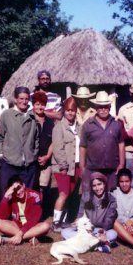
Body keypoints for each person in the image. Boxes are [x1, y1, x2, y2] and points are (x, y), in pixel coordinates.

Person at [0, 86, 39, 198]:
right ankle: (5, 215)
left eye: (26, 99)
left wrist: (33, 154)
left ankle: (23, 215)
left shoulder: (33, 117)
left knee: (26, 194)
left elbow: (36, 138)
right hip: (9, 161)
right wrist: (2, 154)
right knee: (6, 194)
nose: (24, 101)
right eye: (21, 98)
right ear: (15, 99)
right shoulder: (6, 115)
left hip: (28, 164)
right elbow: (0, 136)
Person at [79, 91, 125, 194]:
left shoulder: (116, 124)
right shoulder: (88, 125)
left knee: (111, 196)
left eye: (105, 107)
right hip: (93, 168)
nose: (103, 110)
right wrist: (82, 167)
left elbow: (121, 144)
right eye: (100, 107)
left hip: (112, 169)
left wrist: (121, 164)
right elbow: (83, 146)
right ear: (96, 107)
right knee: (92, 196)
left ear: (109, 107)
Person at [61, 172, 118, 253]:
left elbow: (109, 220)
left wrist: (102, 232)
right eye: (94, 186)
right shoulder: (86, 196)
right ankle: (98, 245)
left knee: (113, 234)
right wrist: (76, 223)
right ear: (91, 187)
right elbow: (80, 216)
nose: (97, 188)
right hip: (87, 229)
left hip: (100, 230)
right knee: (65, 232)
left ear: (104, 184)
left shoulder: (111, 199)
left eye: (99, 184)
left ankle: (87, 243)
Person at [0, 176, 50, 245]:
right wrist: (5, 197)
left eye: (19, 188)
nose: (18, 192)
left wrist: (20, 234)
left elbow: (33, 220)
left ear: (24, 185)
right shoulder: (12, 196)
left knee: (46, 226)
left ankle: (10, 239)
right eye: (15, 190)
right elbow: (1, 216)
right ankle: (30, 237)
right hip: (17, 225)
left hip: (32, 226)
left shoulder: (35, 196)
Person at [51, 97, 80, 231]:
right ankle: (56, 222)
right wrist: (63, 165)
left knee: (70, 193)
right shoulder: (59, 127)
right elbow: (57, 148)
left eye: (73, 110)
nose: (70, 113)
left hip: (75, 166)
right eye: (68, 110)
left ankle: (64, 219)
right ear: (64, 110)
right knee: (63, 193)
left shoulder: (78, 127)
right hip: (63, 167)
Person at [112, 169, 133, 254]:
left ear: (131, 181)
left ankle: (131, 239)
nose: (124, 184)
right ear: (118, 182)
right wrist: (125, 221)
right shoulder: (114, 193)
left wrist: (132, 222)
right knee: (114, 223)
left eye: (127, 181)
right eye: (121, 182)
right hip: (120, 225)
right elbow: (114, 213)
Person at [31, 91, 54, 214]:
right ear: (33, 105)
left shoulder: (50, 122)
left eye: (42, 104)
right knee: (32, 186)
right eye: (37, 104)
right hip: (31, 160)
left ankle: (43, 211)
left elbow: (53, 141)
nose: (40, 107)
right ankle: (33, 210)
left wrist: (47, 156)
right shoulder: (29, 120)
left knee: (44, 187)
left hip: (46, 158)